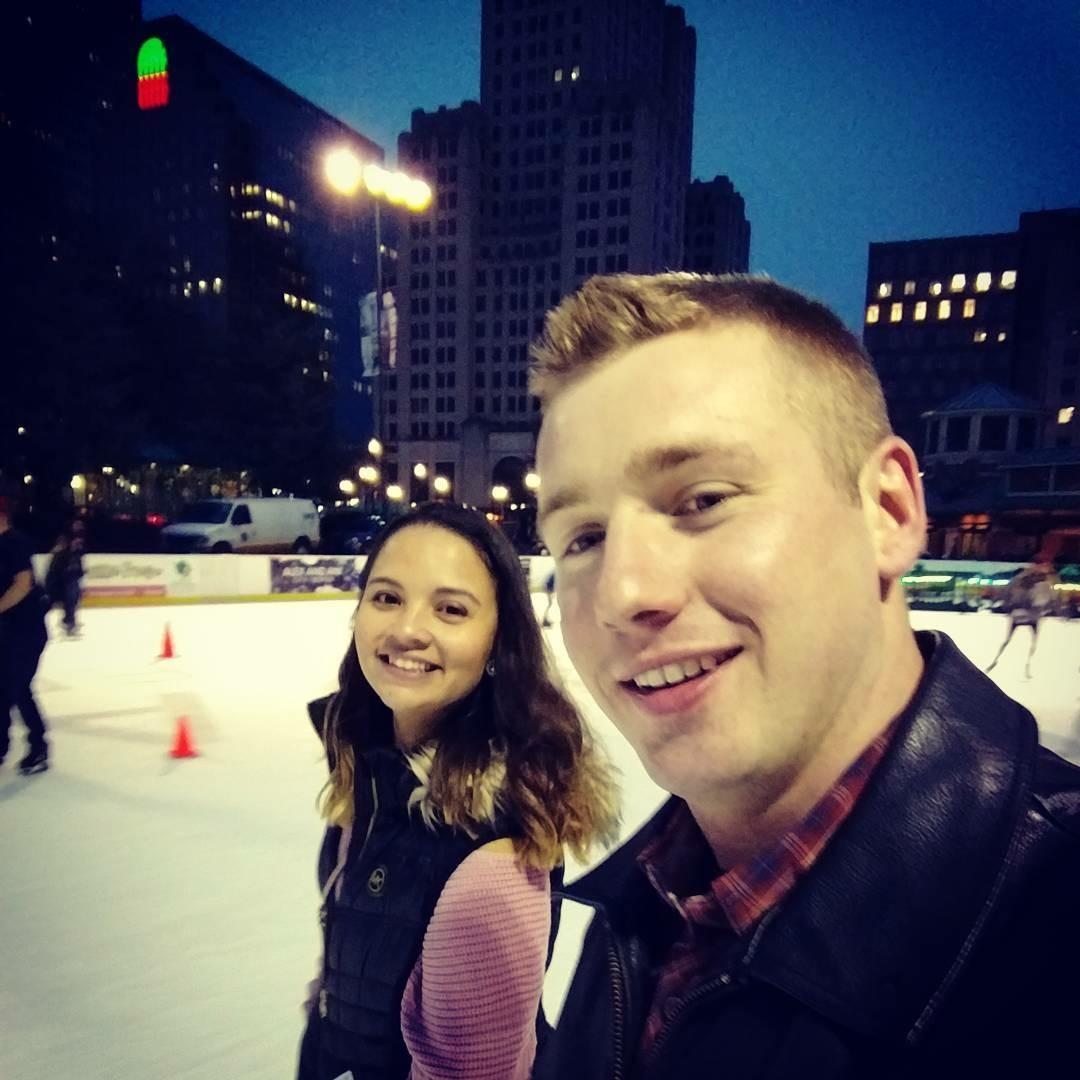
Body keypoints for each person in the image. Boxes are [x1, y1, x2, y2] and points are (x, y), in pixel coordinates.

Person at [528, 273, 1080, 1079]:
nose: (622, 593)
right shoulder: (645, 912)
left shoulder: (1053, 931)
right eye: (580, 538)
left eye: (702, 499)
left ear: (886, 512)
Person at [297, 502, 619, 1080]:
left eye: (450, 609)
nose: (406, 629)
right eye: (387, 597)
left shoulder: (489, 873)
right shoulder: (370, 786)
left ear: (498, 642)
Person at [0, 494, 50, 775]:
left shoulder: (14, 543)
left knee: (17, 688)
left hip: (27, 631)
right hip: (7, 630)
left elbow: (23, 584)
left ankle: (39, 747)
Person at [984, 557, 1058, 678]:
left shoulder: (1042, 580)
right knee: (1011, 641)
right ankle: (997, 662)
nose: (1045, 568)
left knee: (1030, 642)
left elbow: (1049, 598)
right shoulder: (1027, 579)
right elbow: (1008, 592)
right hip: (1024, 614)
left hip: (1027, 614)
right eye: (1044, 565)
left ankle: (1027, 667)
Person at [45, 522, 86, 637]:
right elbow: (56, 562)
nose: (80, 527)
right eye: (77, 525)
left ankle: (69, 621)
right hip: (61, 577)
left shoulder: (78, 544)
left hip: (72, 576)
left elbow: (78, 561)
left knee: (72, 599)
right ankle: (68, 621)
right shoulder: (64, 541)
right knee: (67, 598)